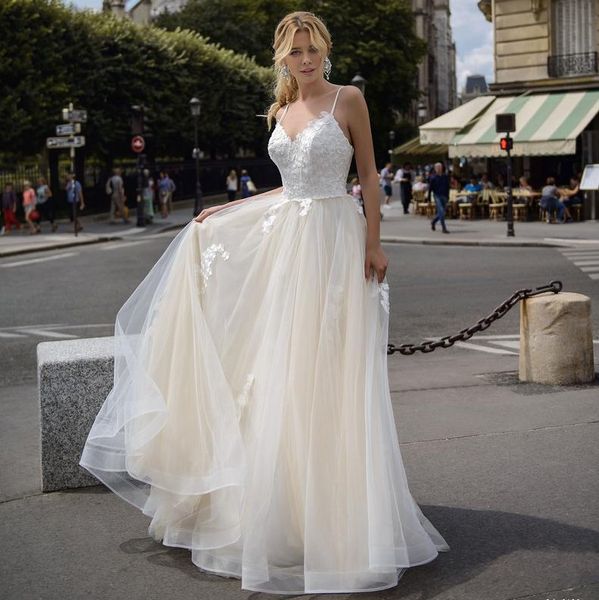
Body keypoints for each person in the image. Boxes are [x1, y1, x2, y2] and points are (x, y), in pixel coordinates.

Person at [80, 11, 449, 595]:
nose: (306, 59)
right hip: (288, 248)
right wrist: (222, 211)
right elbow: (287, 184)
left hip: (334, 242)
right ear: (282, 57)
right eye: (296, 51)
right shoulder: (280, 112)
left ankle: (342, 515)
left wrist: (375, 243)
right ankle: (287, 510)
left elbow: (370, 177)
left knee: (330, 372)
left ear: (325, 50)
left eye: (313, 49)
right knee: (280, 370)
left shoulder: (347, 100)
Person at [428, 162, 450, 233]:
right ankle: (444, 228)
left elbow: (447, 187)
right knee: (441, 211)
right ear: (435, 169)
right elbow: (430, 189)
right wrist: (428, 198)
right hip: (437, 195)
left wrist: (448, 195)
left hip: (444, 195)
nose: (439, 169)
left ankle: (433, 221)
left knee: (442, 212)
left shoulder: (445, 177)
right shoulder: (433, 178)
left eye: (440, 167)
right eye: (437, 168)